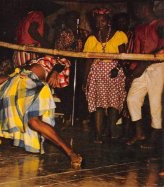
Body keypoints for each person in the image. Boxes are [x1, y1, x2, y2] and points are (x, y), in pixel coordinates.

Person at [0, 56, 82, 169]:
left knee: (34, 122)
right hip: (15, 89)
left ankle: (71, 152)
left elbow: (63, 61)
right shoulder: (28, 66)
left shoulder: (51, 61)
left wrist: (55, 71)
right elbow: (8, 78)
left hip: (29, 86)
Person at [83, 8, 128, 143]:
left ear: (108, 21)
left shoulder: (119, 35)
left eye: (102, 21)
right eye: (97, 21)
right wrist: (85, 79)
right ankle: (98, 133)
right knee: (99, 104)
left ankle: (110, 129)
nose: (99, 24)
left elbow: (123, 56)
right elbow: (88, 61)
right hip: (97, 72)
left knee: (113, 103)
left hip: (114, 71)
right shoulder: (91, 39)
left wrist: (117, 68)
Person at [126, 0, 164, 149]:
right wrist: (133, 70)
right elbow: (136, 50)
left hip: (158, 66)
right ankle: (139, 132)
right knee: (132, 99)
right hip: (142, 66)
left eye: (140, 7)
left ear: (149, 7)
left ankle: (155, 135)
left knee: (155, 102)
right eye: (135, 7)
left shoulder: (160, 24)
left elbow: (162, 46)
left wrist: (145, 63)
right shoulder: (139, 28)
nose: (137, 10)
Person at [53, 11, 90, 129]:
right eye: (70, 19)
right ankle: (68, 118)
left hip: (80, 64)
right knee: (66, 92)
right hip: (66, 64)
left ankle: (83, 119)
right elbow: (58, 49)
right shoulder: (63, 33)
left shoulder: (83, 33)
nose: (73, 21)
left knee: (81, 92)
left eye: (75, 18)